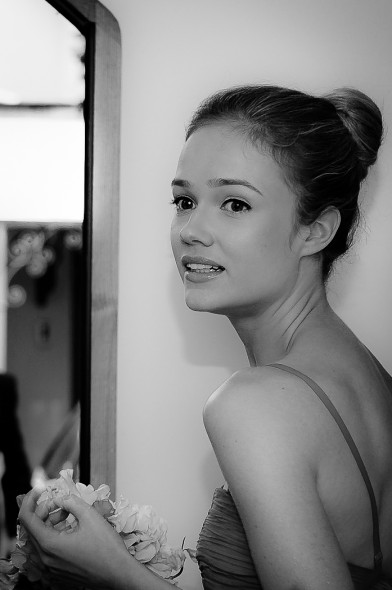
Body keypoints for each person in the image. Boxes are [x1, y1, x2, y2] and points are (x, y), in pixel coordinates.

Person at [16, 84, 392, 590]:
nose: (191, 229)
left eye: (235, 204)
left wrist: (111, 568)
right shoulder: (370, 377)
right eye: (185, 200)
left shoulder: (255, 404)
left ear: (315, 231)